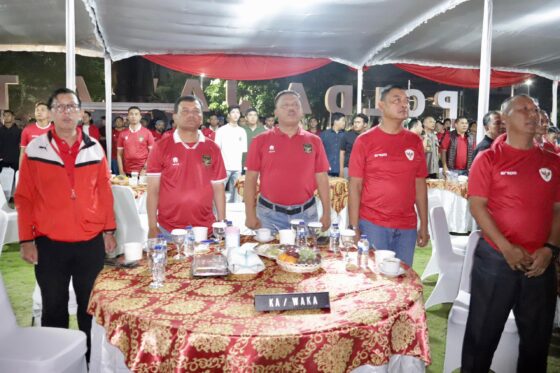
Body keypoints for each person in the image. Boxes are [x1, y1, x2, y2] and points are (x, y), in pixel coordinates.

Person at [15, 88, 116, 362]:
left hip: (90, 242)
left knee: (89, 309)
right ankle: (58, 363)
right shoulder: (36, 148)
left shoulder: (94, 147)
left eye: (71, 106)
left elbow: (105, 192)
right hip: (50, 244)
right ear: (50, 112)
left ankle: (90, 363)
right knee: (54, 308)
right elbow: (24, 197)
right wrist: (26, 239)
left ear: (81, 112)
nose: (66, 112)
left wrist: (109, 230)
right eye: (59, 107)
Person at [462, 94, 560, 373]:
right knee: (481, 340)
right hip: (495, 261)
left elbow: (558, 210)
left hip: (540, 264)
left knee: (536, 345)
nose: (533, 114)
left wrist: (550, 249)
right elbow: (477, 206)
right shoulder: (488, 158)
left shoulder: (552, 161)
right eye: (524, 109)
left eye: (536, 108)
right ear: (504, 119)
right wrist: (506, 247)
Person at [348, 85, 429, 266]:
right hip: (373, 223)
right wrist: (354, 227)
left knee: (403, 280)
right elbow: (355, 186)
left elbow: (420, 185)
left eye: (406, 101)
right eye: (396, 100)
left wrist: (424, 223)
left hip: (406, 225)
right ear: (381, 105)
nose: (404, 105)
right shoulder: (364, 141)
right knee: (375, 281)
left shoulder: (414, 141)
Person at [245, 90, 331, 232]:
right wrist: (249, 213)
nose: (291, 108)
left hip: (306, 214)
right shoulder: (260, 140)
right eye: (285, 105)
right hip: (269, 216)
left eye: (296, 105)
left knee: (306, 254)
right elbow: (250, 179)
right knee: (266, 253)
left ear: (302, 112)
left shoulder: (314, 141)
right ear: (276, 112)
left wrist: (327, 213)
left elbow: (322, 178)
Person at [146, 96, 226, 238]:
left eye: (196, 111)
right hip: (169, 230)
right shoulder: (160, 147)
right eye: (185, 111)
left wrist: (222, 222)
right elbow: (153, 190)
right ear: (175, 116)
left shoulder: (212, 148)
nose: (191, 115)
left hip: (205, 230)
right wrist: (152, 226)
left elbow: (218, 188)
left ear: (202, 117)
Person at [214, 105, 247, 203]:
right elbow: (216, 149)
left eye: (237, 112)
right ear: (228, 115)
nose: (236, 114)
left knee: (237, 197)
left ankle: (236, 217)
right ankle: (217, 216)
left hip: (237, 168)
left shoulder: (242, 131)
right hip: (224, 168)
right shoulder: (221, 131)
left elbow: (243, 151)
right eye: (233, 112)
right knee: (218, 194)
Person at [117, 106, 155, 176]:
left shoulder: (147, 133)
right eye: (131, 114)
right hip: (127, 171)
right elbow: (119, 154)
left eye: (136, 114)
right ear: (128, 117)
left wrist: (145, 169)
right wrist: (121, 171)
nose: (133, 116)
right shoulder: (122, 134)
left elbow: (152, 153)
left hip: (143, 172)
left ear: (140, 117)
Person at [19, 102, 52, 166]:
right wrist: (21, 172)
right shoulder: (27, 130)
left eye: (42, 110)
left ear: (48, 113)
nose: (39, 112)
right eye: (37, 110)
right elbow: (23, 153)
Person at [339, 114, 368, 178]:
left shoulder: (369, 136)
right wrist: (341, 170)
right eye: (355, 122)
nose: (355, 124)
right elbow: (342, 153)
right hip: (348, 168)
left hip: (365, 169)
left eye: (358, 122)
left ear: (365, 124)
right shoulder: (346, 136)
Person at [320, 112, 346, 177]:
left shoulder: (346, 135)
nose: (344, 123)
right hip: (326, 171)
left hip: (341, 171)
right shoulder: (324, 135)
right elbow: (319, 152)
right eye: (343, 120)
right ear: (335, 121)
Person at [242, 107, 267, 172]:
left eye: (255, 115)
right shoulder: (241, 130)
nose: (253, 117)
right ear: (246, 118)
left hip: (260, 164)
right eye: (250, 115)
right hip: (243, 164)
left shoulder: (263, 131)